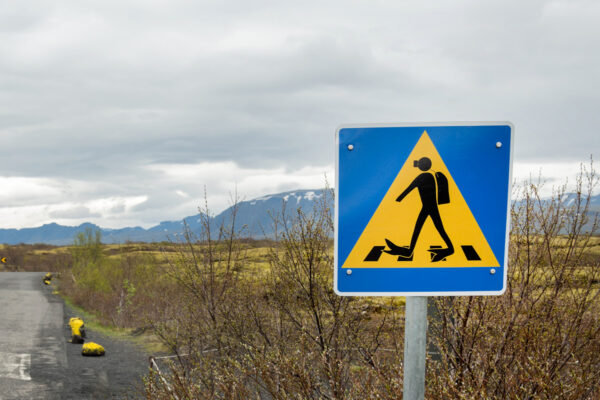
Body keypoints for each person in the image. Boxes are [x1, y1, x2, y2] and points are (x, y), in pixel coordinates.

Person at [384, 157, 454, 262]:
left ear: (422, 166)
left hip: (428, 207)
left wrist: (396, 200)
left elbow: (409, 188)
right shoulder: (431, 176)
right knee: (437, 228)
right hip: (429, 207)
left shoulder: (422, 177)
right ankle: (410, 251)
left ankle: (410, 251)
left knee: (425, 228)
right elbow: (410, 188)